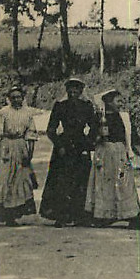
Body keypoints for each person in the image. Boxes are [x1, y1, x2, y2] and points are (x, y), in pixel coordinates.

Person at [85, 89, 140, 230]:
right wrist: (98, 136)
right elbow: (90, 139)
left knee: (125, 184)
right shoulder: (98, 117)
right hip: (104, 153)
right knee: (104, 186)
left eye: (121, 101)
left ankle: (133, 217)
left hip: (120, 154)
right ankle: (103, 217)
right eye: (118, 101)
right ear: (108, 102)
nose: (121, 104)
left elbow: (133, 137)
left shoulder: (124, 117)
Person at [40, 78, 99, 227]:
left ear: (81, 91)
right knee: (62, 181)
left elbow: (94, 126)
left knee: (81, 179)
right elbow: (51, 129)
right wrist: (59, 144)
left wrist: (88, 143)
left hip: (80, 144)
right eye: (70, 89)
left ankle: (80, 215)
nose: (73, 92)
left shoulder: (87, 106)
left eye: (77, 89)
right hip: (64, 145)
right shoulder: (60, 106)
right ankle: (61, 215)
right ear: (67, 91)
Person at [0, 85, 41, 226]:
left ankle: (15, 213)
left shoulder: (27, 113)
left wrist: (29, 154)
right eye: (13, 97)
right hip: (7, 146)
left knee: (20, 179)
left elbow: (31, 134)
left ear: (23, 98)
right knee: (5, 178)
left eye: (19, 97)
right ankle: (3, 213)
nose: (17, 100)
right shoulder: (2, 113)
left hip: (21, 146)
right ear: (9, 99)